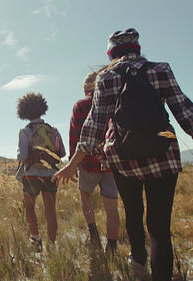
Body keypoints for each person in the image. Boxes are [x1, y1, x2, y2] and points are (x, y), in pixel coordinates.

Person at [52, 28, 193, 281]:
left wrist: (72, 165)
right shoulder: (160, 70)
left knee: (133, 214)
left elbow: (94, 126)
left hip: (123, 161)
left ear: (111, 54)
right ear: (137, 50)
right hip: (163, 157)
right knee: (159, 229)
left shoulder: (105, 78)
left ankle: (138, 265)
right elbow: (186, 113)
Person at [69, 71, 120, 255]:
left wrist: (72, 164)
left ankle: (94, 234)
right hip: (111, 164)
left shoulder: (80, 106)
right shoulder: (113, 102)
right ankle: (112, 248)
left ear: (85, 88)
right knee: (112, 207)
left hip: (87, 163)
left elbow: (74, 137)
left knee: (85, 197)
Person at [15, 92, 66, 251]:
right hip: (51, 175)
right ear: (42, 109)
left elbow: (22, 156)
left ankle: (36, 240)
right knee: (51, 210)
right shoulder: (54, 130)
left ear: (24, 112)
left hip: (31, 175)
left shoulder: (25, 131)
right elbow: (62, 153)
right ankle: (52, 245)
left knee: (29, 208)